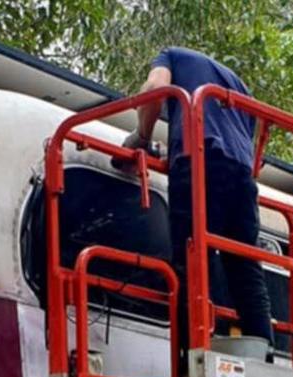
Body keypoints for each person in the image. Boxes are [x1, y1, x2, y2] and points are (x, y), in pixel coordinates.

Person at [116, 47, 274, 352]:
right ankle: (263, 354)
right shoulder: (240, 87)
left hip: (200, 161)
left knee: (191, 259)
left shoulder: (170, 55)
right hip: (241, 175)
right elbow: (247, 151)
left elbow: (155, 88)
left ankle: (192, 357)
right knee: (244, 267)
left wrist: (142, 138)